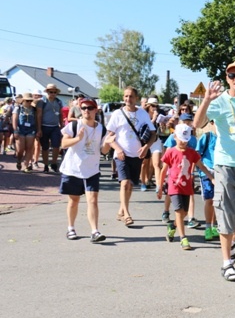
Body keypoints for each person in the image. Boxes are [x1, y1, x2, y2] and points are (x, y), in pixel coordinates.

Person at [193, 62, 235, 281]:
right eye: (232, 75)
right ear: (226, 78)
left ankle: (229, 244)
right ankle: (226, 263)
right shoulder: (218, 101)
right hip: (225, 166)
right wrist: (206, 99)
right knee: (224, 212)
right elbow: (197, 122)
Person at [59, 98, 113, 243]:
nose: (86, 111)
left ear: (95, 110)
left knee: (93, 200)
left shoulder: (101, 129)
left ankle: (95, 231)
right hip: (73, 168)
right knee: (74, 201)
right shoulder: (74, 125)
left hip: (92, 170)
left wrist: (107, 143)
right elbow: (63, 144)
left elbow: (103, 151)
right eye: (83, 108)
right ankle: (71, 228)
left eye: (89, 108)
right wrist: (77, 138)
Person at [157, 123, 214, 251]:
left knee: (183, 213)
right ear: (175, 137)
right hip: (174, 186)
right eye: (180, 139)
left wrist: (211, 177)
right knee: (178, 210)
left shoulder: (192, 152)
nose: (183, 142)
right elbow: (163, 170)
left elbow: (201, 166)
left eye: (185, 140)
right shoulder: (170, 152)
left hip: (187, 186)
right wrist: (160, 187)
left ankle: (172, 227)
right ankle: (183, 238)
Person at [106, 86, 156, 227]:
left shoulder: (142, 114)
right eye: (126, 96)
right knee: (125, 183)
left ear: (136, 98)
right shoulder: (117, 114)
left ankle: (121, 210)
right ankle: (127, 214)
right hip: (121, 155)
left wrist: (146, 147)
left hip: (137, 155)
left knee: (130, 185)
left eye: (131, 96)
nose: (128, 99)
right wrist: (117, 149)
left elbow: (153, 134)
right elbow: (109, 137)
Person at [162, 113, 201, 229]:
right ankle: (167, 212)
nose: (187, 124)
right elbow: (168, 155)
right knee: (173, 197)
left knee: (183, 210)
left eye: (189, 122)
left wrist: (192, 172)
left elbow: (194, 157)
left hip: (187, 173)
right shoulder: (174, 136)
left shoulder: (192, 139)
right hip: (173, 174)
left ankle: (182, 221)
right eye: (184, 122)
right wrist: (163, 179)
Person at [196, 121, 220, 242]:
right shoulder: (207, 137)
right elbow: (196, 157)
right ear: (212, 122)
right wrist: (208, 174)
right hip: (207, 172)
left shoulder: (225, 138)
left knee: (218, 200)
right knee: (209, 200)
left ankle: (215, 225)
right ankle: (208, 227)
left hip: (221, 172)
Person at [36, 83, 64, 173]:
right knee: (45, 147)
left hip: (55, 127)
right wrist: (39, 129)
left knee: (56, 146)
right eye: (51, 92)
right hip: (44, 126)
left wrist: (62, 126)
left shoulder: (59, 101)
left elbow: (60, 114)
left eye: (54, 92)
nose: (53, 94)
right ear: (47, 92)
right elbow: (39, 115)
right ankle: (45, 165)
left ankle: (54, 163)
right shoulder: (42, 102)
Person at [13, 92, 38, 172]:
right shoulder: (18, 108)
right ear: (23, 100)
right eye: (27, 101)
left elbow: (37, 120)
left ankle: (26, 166)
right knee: (20, 149)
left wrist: (37, 130)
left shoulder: (34, 109)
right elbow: (14, 119)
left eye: (30, 101)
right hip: (20, 130)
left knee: (29, 148)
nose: (29, 102)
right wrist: (15, 130)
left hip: (31, 130)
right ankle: (19, 160)